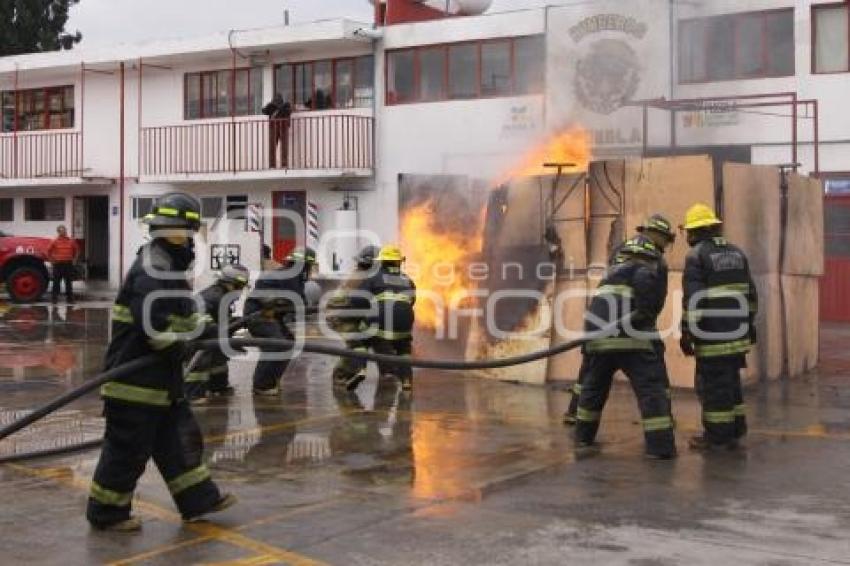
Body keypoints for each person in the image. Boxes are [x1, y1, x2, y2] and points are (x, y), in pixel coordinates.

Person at [86, 192, 235, 532]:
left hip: (160, 382)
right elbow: (156, 330)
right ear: (175, 230)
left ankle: (199, 499)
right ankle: (106, 513)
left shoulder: (166, 265)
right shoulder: (155, 268)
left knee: (180, 441)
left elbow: (177, 318)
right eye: (190, 231)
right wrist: (190, 341)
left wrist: (202, 328)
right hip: (135, 385)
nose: (192, 240)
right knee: (127, 452)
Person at [564, 214, 676, 425]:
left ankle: (575, 417)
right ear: (656, 234)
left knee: (590, 373)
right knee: (653, 374)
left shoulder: (620, 251)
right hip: (632, 326)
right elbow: (655, 299)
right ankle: (663, 420)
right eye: (666, 239)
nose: (666, 245)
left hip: (597, 321)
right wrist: (646, 319)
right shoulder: (655, 259)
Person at [680, 203, 758, 451]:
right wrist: (747, 325)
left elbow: (694, 299)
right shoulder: (737, 253)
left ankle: (717, 438)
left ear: (696, 232)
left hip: (713, 338)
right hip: (737, 335)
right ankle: (736, 429)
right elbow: (751, 296)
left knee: (713, 388)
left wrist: (687, 331)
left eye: (689, 232)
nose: (687, 237)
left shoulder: (697, 256)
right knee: (731, 384)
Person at [245, 247, 316, 396]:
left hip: (270, 316)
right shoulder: (290, 277)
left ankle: (271, 379)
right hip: (259, 316)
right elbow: (298, 303)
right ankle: (262, 384)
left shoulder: (291, 276)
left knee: (287, 342)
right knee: (277, 346)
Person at [184, 264, 251, 404]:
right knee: (200, 364)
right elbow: (199, 318)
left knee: (219, 360)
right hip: (198, 338)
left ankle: (217, 387)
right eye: (240, 286)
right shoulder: (213, 296)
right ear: (231, 284)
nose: (240, 291)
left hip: (211, 335)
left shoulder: (223, 295)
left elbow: (222, 320)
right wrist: (219, 331)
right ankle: (194, 395)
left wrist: (238, 323)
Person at [358, 245, 416, 392]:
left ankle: (360, 369)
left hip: (382, 321)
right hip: (405, 322)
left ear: (382, 262)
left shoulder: (373, 277)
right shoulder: (408, 280)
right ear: (399, 262)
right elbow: (412, 301)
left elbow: (360, 300)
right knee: (404, 347)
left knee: (362, 333)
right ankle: (406, 380)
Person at [327, 245, 380, 392]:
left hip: (350, 315)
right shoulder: (360, 279)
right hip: (340, 317)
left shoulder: (363, 276)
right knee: (358, 346)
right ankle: (345, 374)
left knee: (358, 344)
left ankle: (343, 373)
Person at [47, 225, 79, 304]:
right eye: (61, 231)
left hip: (68, 264)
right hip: (58, 264)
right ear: (58, 232)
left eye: (64, 230)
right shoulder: (54, 241)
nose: (63, 232)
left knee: (68, 282)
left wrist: (74, 260)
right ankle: (54, 299)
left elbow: (77, 251)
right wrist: (51, 261)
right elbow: (48, 252)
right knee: (56, 283)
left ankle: (70, 299)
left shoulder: (71, 241)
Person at [262, 94, 292, 169]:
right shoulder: (271, 107)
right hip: (274, 128)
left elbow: (289, 111)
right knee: (273, 147)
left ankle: (283, 164)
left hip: (282, 128)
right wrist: (271, 105)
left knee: (283, 147)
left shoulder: (286, 106)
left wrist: (280, 107)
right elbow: (264, 111)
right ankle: (274, 165)